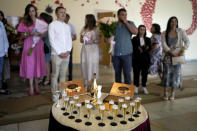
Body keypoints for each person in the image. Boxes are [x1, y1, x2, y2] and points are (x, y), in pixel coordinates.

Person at [17, 4, 47, 96]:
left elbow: (45, 35)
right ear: (27, 12)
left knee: (37, 64)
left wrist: (40, 34)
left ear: (35, 11)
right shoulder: (24, 22)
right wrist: (29, 33)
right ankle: (31, 87)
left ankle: (37, 86)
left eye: (33, 11)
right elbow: (21, 36)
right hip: (29, 45)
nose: (31, 13)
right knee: (30, 65)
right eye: (29, 11)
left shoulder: (41, 21)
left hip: (38, 45)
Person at [162, 16, 190, 101]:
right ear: (169, 23)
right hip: (168, 57)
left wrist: (182, 50)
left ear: (177, 22)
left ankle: (172, 93)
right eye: (172, 21)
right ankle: (165, 93)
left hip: (178, 56)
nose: (174, 23)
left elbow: (187, 41)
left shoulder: (181, 31)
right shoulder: (164, 33)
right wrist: (171, 52)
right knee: (166, 75)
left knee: (175, 75)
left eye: (175, 21)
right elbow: (164, 44)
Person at [49, 7, 72, 101]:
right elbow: (52, 40)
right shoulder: (52, 25)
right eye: (61, 12)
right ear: (56, 14)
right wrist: (59, 52)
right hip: (56, 54)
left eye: (64, 12)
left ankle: (62, 92)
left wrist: (68, 50)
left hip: (66, 54)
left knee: (63, 75)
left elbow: (69, 40)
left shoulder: (67, 26)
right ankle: (54, 94)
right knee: (55, 75)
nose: (63, 14)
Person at [113, 8, 138, 84]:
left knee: (127, 74)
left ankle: (127, 94)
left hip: (127, 53)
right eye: (122, 15)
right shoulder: (113, 25)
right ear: (118, 15)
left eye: (126, 15)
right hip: (115, 53)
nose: (124, 16)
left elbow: (136, 32)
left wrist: (126, 22)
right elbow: (109, 37)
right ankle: (118, 93)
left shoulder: (130, 23)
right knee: (117, 74)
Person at [80, 14, 100, 91]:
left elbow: (99, 40)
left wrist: (93, 41)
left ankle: (93, 85)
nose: (84, 21)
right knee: (84, 65)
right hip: (85, 50)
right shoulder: (83, 28)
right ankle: (85, 84)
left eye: (85, 19)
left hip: (93, 50)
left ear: (89, 20)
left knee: (93, 67)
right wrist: (83, 40)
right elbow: (80, 40)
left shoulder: (96, 29)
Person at [132, 25, 151, 94]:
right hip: (136, 59)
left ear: (145, 31)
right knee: (136, 73)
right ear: (138, 30)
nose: (142, 31)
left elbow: (150, 48)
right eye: (141, 29)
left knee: (145, 74)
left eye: (143, 29)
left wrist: (147, 48)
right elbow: (133, 48)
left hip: (145, 59)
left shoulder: (148, 39)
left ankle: (144, 87)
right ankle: (136, 87)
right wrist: (137, 48)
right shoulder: (134, 39)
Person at [39, 13, 53, 86]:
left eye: (40, 18)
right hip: (44, 46)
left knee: (46, 63)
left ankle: (48, 79)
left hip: (46, 46)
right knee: (44, 63)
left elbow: (43, 36)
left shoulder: (47, 26)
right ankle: (42, 78)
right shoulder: (47, 26)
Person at [65, 14, 77, 81]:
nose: (66, 20)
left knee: (70, 62)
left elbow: (75, 37)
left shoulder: (71, 26)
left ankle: (70, 75)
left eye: (67, 19)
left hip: (69, 47)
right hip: (60, 47)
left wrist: (68, 39)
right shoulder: (58, 25)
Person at [0, 21, 11, 95]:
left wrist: (6, 49)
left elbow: (4, 37)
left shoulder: (0, 24)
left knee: (0, 71)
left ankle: (0, 88)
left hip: (1, 52)